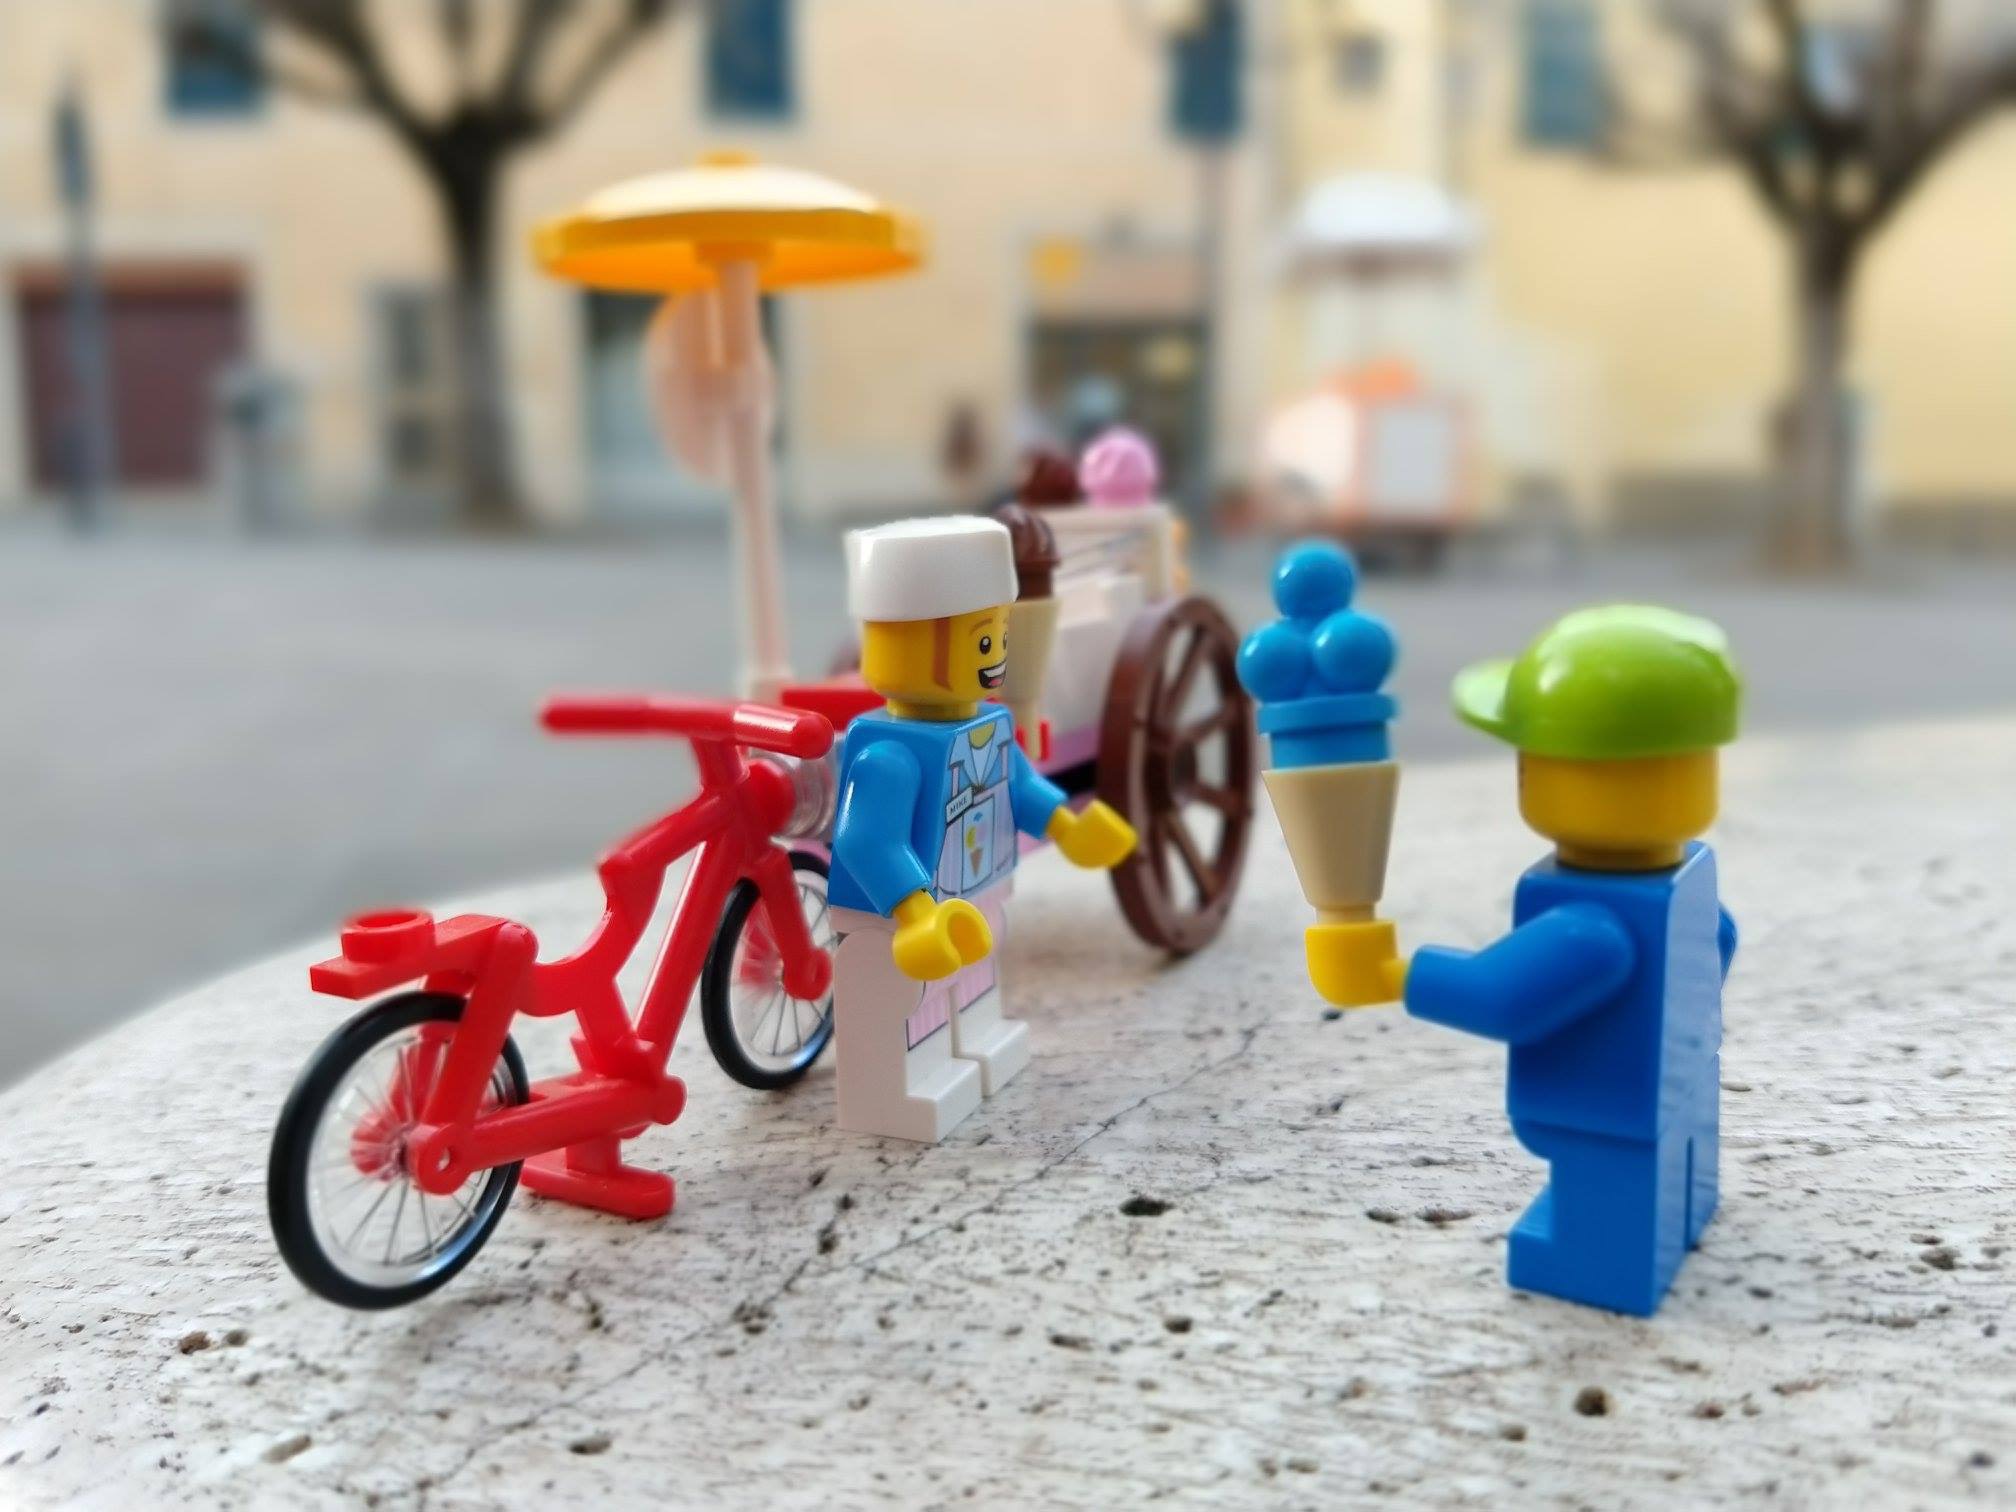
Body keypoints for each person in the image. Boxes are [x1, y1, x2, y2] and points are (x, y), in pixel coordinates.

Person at [828, 516, 1136, 1142]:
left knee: (974, 975)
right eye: (983, 639)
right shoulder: (888, 753)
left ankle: (979, 1040)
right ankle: (898, 1088)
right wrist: (915, 912)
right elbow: (866, 840)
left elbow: (1017, 785)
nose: (997, 658)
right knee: (902, 997)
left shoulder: (987, 726)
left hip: (976, 890)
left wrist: (1067, 825)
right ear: (915, 645)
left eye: (999, 635)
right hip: (898, 916)